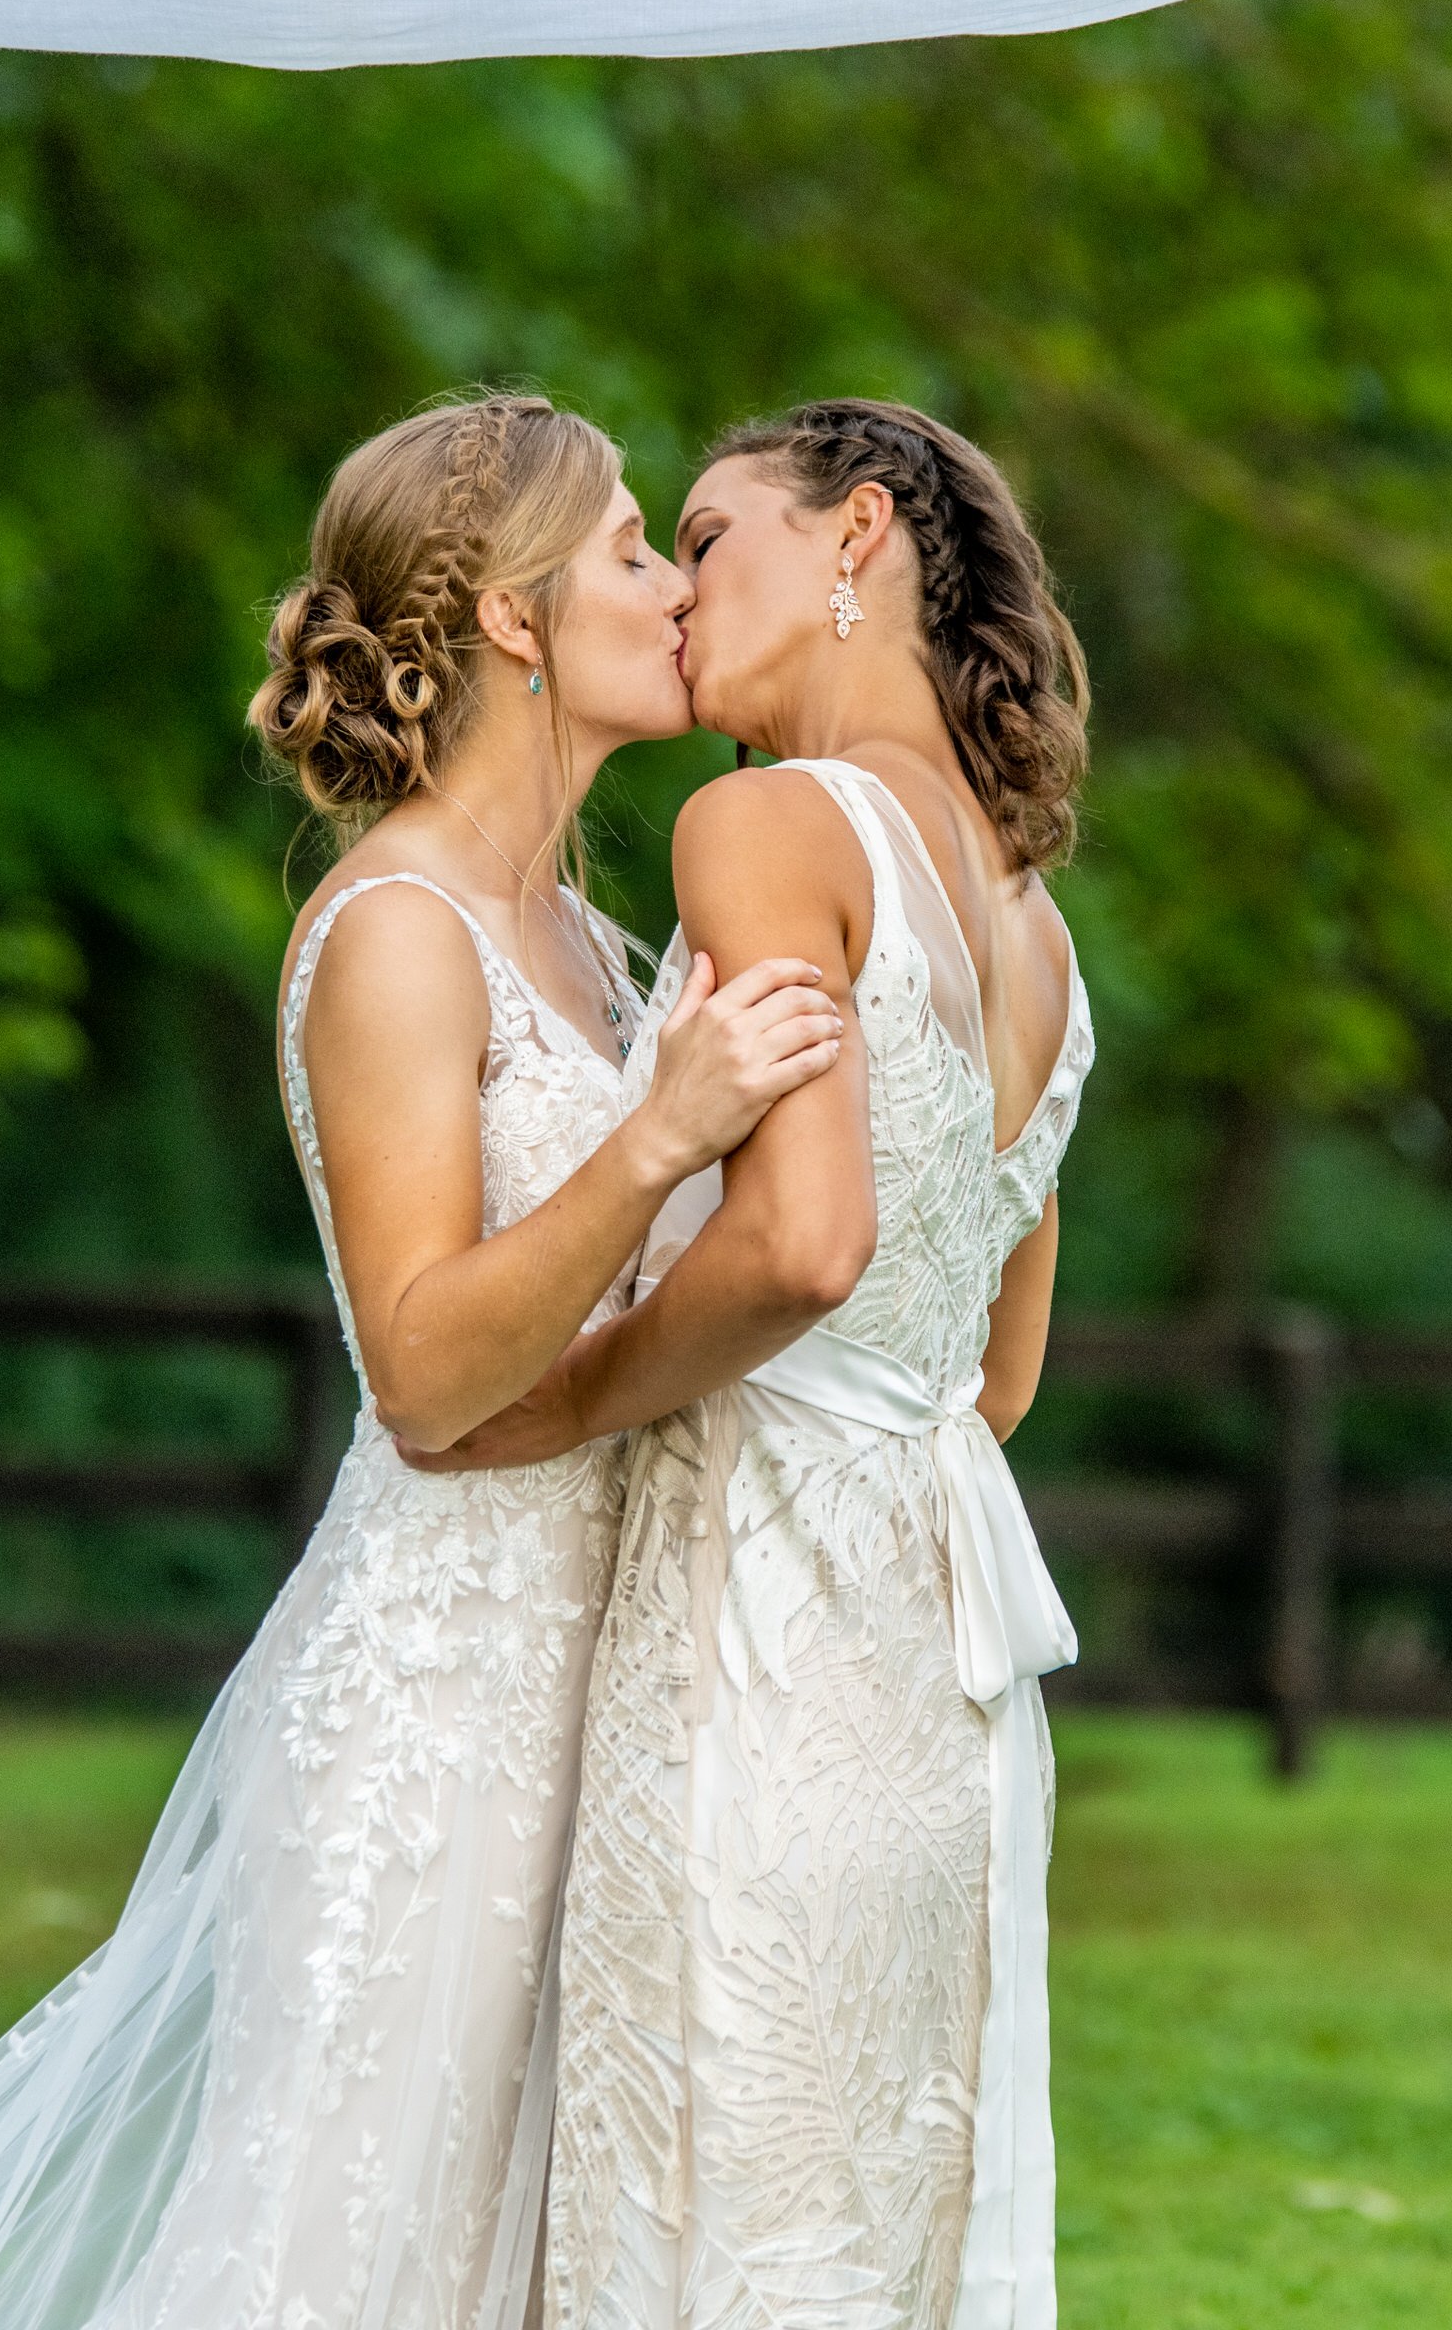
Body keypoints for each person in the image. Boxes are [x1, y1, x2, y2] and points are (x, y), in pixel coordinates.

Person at [0, 395, 841, 2330]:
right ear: (511, 615)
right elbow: (419, 1372)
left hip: (608, 1681)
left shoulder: (582, 935)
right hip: (437, 1705)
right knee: (336, 2261)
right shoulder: (394, 933)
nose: (676, 592)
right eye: (639, 550)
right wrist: (657, 1139)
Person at [401, 399, 1095, 2330]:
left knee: (700, 2187)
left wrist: (575, 1396)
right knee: (864, 2209)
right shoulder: (1040, 930)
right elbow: (997, 1373)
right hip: (936, 1658)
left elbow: (805, 1245)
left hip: (758, 1620)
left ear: (856, 534)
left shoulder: (764, 823)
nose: (683, 588)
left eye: (707, 537)